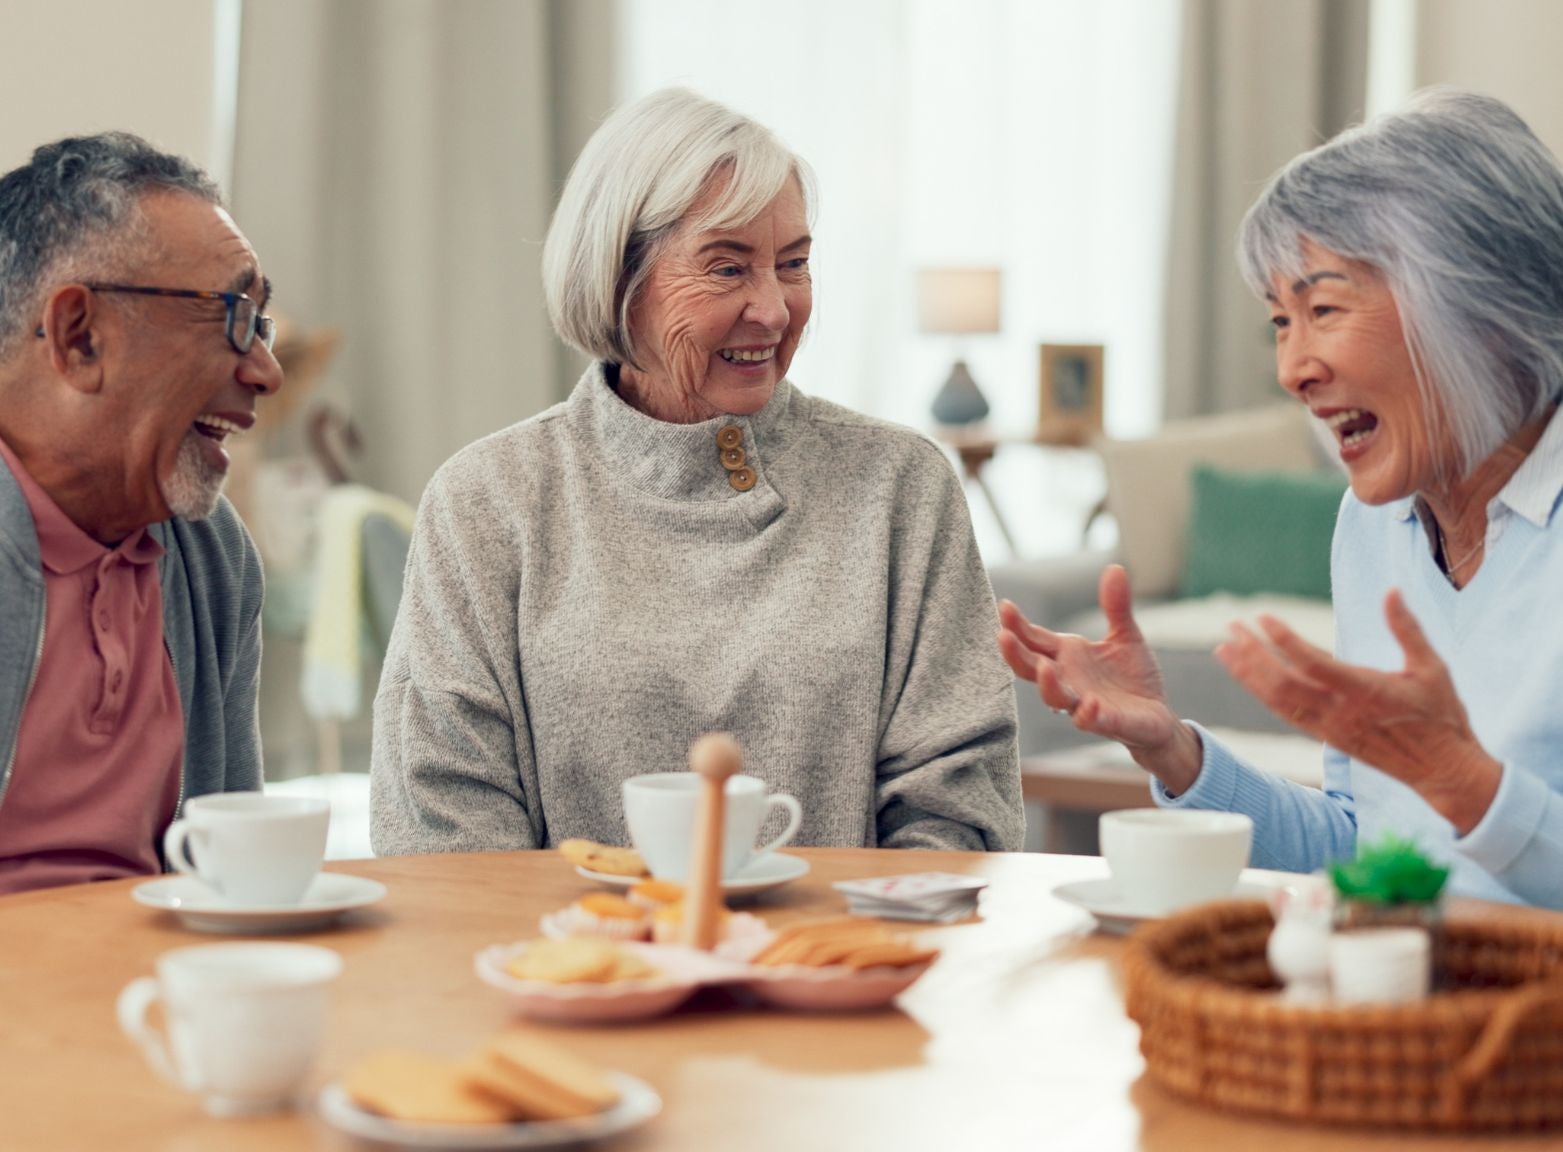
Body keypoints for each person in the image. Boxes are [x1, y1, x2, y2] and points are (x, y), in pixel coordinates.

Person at [372, 88, 1022, 856]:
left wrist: (838, 959)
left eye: (793, 265)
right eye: (726, 268)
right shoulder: (489, 499)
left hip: (841, 966)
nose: (775, 310)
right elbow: (442, 824)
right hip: (564, 967)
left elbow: (959, 806)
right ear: (619, 278)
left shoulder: (900, 485)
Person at [1000, 88, 1563, 908]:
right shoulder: (1374, 526)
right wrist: (1172, 750)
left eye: (1321, 309)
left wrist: (1462, 781)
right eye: (1278, 321)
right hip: (1408, 1014)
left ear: (1476, 302)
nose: (1291, 370)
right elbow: (1359, 845)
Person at [0, 133, 284, 894]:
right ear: (79, 337)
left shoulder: (211, 554)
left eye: (262, 324)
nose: (266, 370)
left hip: (154, 989)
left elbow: (231, 864)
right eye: (233, 315)